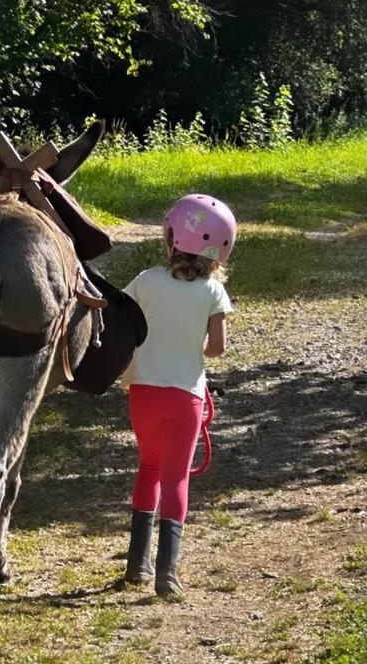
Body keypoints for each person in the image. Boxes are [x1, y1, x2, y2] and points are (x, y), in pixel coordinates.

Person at [121, 194, 236, 597]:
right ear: (219, 254)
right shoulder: (213, 293)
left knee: (148, 467)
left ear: (171, 238)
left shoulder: (146, 280)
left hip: (143, 392)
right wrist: (192, 344)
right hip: (185, 396)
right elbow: (217, 348)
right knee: (176, 478)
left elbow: (121, 318)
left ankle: (136, 564)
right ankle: (166, 574)